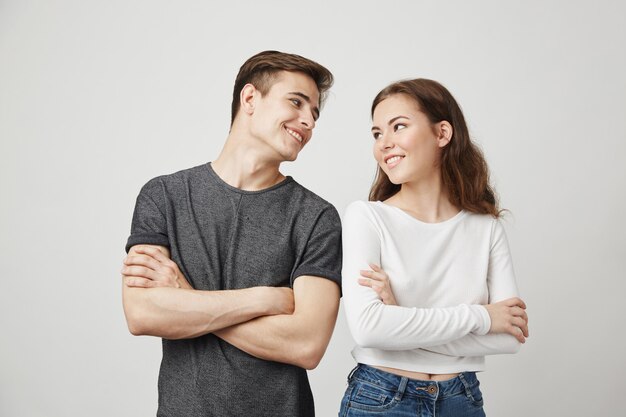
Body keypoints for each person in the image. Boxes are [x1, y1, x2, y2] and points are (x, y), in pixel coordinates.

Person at [120, 50, 342, 417]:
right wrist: (263, 300)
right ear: (251, 98)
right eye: (297, 102)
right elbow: (143, 314)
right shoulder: (164, 196)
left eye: (314, 114)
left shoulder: (316, 217)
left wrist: (187, 298)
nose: (308, 122)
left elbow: (306, 344)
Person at [339, 78, 529, 417]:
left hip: (462, 399)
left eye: (398, 127)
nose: (385, 143)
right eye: (377, 133)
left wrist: (400, 313)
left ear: (442, 134)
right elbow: (369, 328)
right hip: (381, 398)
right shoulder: (367, 218)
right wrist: (482, 317)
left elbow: (510, 338)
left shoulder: (486, 228)